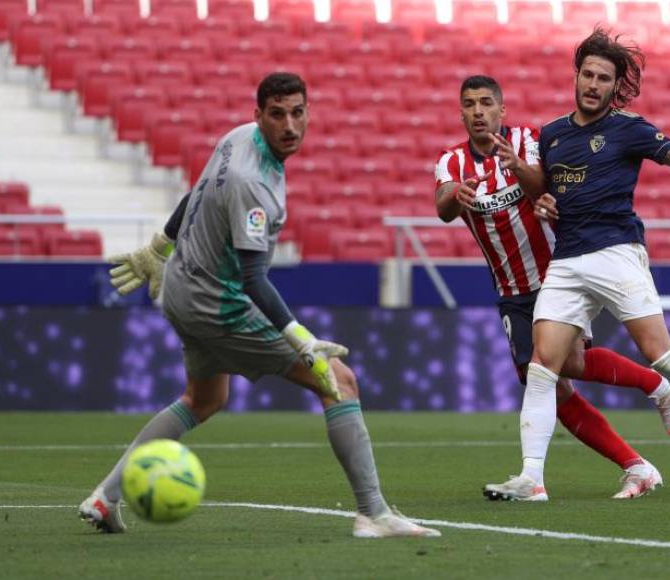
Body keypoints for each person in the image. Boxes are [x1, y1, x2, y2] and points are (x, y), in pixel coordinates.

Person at [79, 72, 440, 539]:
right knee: (339, 382)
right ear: (259, 116)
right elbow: (252, 279)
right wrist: (304, 341)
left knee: (205, 398)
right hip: (218, 303)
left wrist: (160, 247)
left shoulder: (235, 138)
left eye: (297, 112)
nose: (289, 125)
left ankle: (104, 498)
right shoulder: (257, 186)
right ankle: (372, 513)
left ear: (308, 113)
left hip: (180, 290)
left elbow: (195, 194)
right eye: (277, 115)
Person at [492, 28, 670, 496]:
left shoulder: (629, 128)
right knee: (542, 364)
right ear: (576, 77)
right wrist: (539, 194)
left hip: (617, 252)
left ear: (616, 86)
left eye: (603, 78)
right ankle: (531, 478)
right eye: (587, 75)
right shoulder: (551, 135)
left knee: (663, 356)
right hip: (569, 260)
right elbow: (546, 193)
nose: (593, 84)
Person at [434, 75, 670, 501]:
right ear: (460, 113)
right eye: (469, 104)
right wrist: (454, 196)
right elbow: (442, 207)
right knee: (555, 375)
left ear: (502, 110)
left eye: (485, 103)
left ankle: (646, 397)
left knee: (554, 369)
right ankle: (636, 461)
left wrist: (531, 181)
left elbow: (552, 185)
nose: (477, 111)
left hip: (558, 274)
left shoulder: (530, 141)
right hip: (511, 287)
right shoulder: (452, 161)